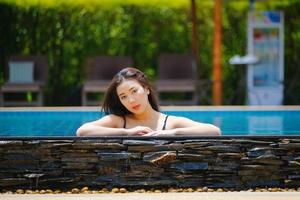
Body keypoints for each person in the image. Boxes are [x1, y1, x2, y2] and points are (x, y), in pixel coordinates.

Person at [76, 67, 221, 136]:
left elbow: (214, 131)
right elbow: (82, 131)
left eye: (134, 91)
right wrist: (127, 132)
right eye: (123, 96)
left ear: (146, 89)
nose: (131, 100)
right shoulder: (118, 121)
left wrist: (171, 133)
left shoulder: (169, 123)